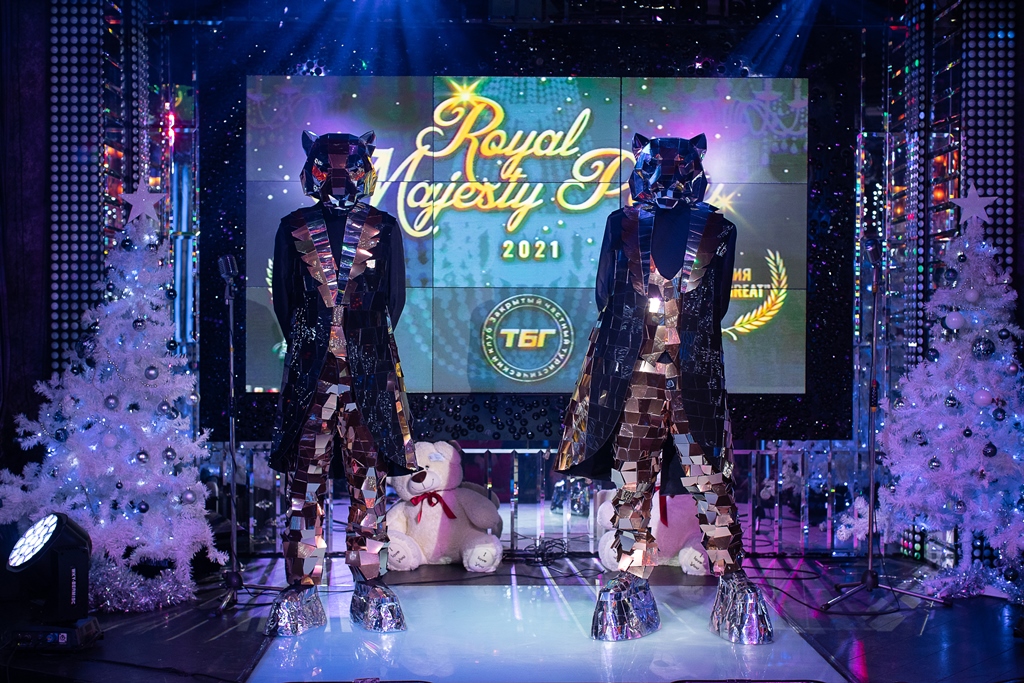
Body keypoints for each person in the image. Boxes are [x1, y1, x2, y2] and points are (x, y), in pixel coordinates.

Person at [557, 133, 773, 644]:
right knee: (632, 479)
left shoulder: (719, 228)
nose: (669, 176)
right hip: (633, 377)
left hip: (693, 376)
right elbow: (608, 296)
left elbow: (715, 306)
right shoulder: (622, 223)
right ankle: (631, 581)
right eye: (659, 166)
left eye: (678, 166)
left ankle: (732, 580)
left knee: (710, 479)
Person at [265, 130, 416, 636]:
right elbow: (285, 303)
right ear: (312, 169)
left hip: (369, 373)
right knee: (304, 482)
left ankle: (369, 580)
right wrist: (315, 345)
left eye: (349, 167)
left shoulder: (384, 227)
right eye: (328, 166)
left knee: (368, 482)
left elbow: (394, 300)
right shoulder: (293, 227)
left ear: (363, 169)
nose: (338, 177)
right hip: (311, 373)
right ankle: (303, 584)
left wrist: (363, 344)